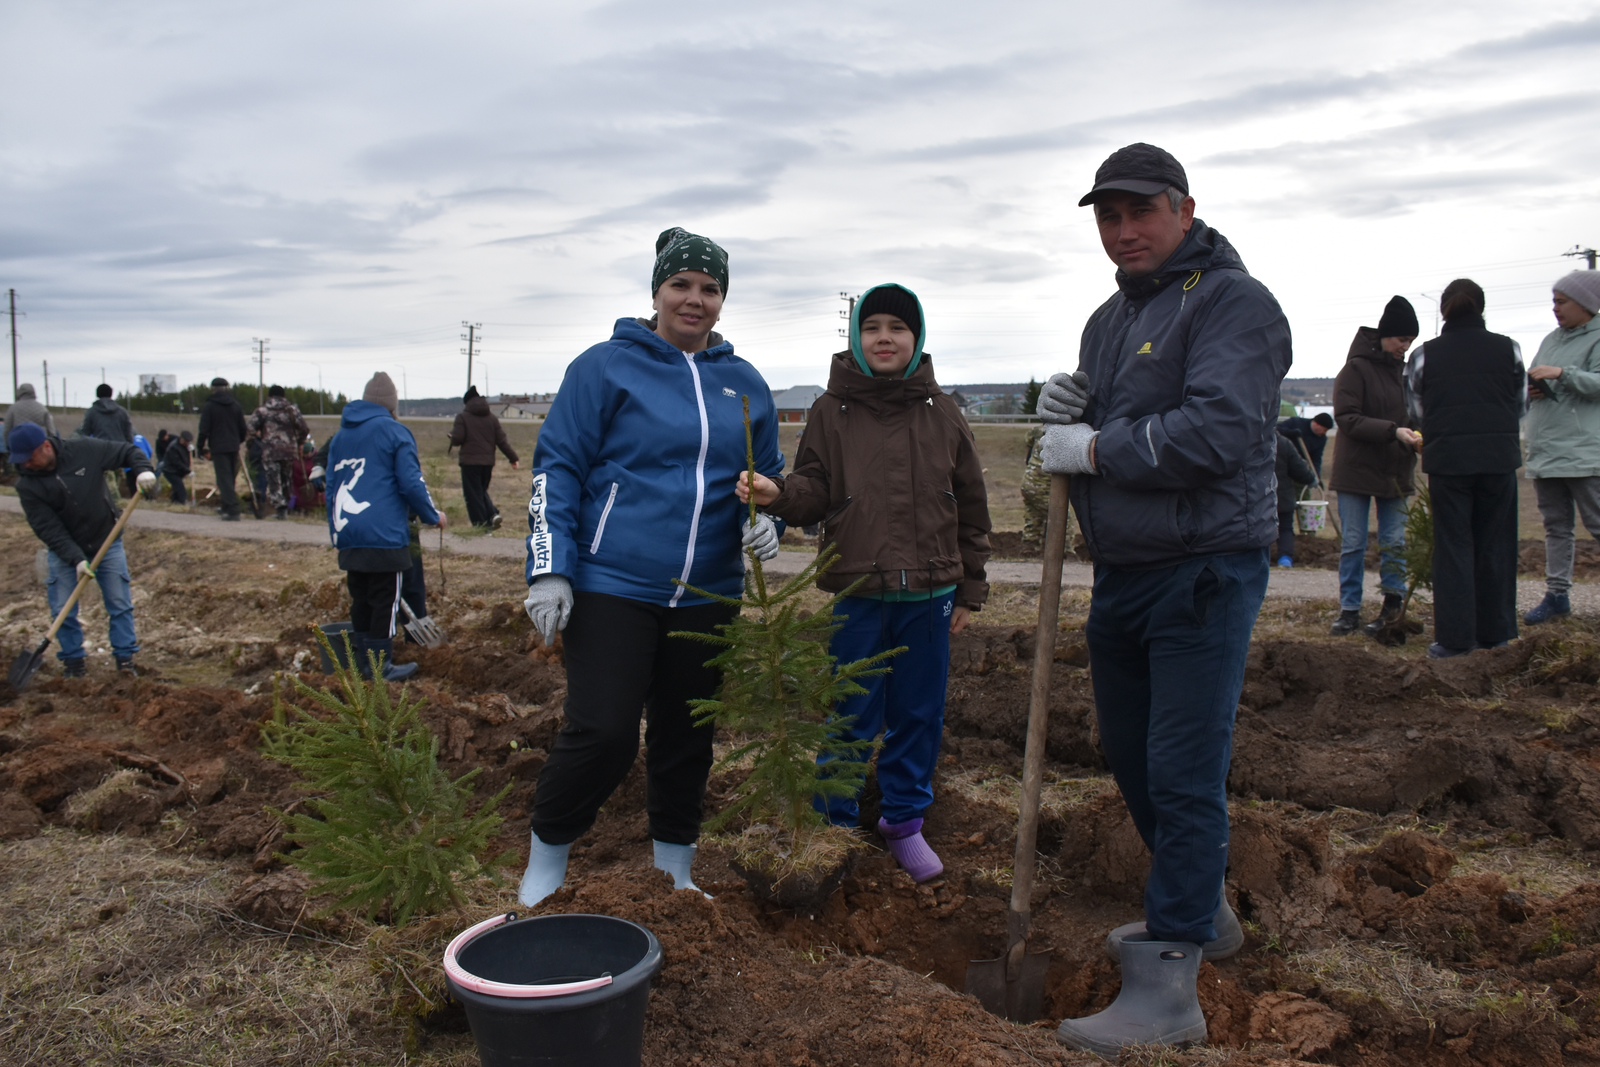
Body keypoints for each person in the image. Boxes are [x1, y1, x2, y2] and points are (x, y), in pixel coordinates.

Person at [1036, 143, 1291, 1056]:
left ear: (1185, 209)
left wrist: (1096, 447)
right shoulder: (1110, 318)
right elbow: (1101, 418)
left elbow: (1218, 432)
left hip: (1205, 568)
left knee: (1183, 769)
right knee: (1133, 757)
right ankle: (1203, 914)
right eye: (1108, 216)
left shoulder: (1235, 304)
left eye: (1141, 211)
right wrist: (1070, 409)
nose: (1124, 230)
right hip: (1127, 573)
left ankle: (1170, 988)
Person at [517, 227, 783, 908]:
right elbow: (558, 469)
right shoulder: (603, 367)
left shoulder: (744, 384)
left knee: (686, 733)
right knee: (603, 731)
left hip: (708, 590)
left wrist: (767, 518)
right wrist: (550, 567)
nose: (695, 299)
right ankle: (547, 855)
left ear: (722, 300)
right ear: (657, 291)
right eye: (682, 285)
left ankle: (674, 871)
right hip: (614, 583)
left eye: (710, 288)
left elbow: (767, 475)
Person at [737, 282, 991, 883]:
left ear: (916, 338)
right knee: (851, 711)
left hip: (930, 596)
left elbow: (973, 506)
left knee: (919, 714)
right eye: (872, 326)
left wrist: (970, 588)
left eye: (897, 328)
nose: (884, 337)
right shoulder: (832, 411)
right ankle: (834, 823)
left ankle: (904, 823)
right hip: (858, 595)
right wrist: (778, 494)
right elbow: (814, 487)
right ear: (856, 338)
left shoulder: (944, 413)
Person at [1408, 279, 1525, 658]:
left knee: (1454, 547)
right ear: (1483, 308)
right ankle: (1496, 635)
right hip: (1498, 458)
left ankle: (1455, 641)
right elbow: (1519, 405)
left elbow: (1417, 413)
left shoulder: (1425, 355)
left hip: (1449, 461)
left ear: (1443, 310)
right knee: (1496, 544)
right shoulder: (1510, 349)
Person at [9, 422, 156, 676]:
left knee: (119, 603)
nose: (25, 465)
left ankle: (124, 662)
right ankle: (74, 664)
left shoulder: (84, 449)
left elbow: (127, 452)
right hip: (66, 551)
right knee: (62, 609)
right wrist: (75, 559)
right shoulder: (27, 486)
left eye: (29, 458)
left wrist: (143, 471)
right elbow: (48, 528)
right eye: (21, 461)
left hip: (106, 540)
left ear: (45, 447)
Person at [325, 372, 445, 681]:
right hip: (384, 535)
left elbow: (330, 486)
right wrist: (433, 516)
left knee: (361, 598)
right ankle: (381, 666)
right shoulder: (396, 432)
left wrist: (336, 530)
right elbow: (411, 483)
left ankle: (364, 666)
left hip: (349, 530)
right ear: (392, 404)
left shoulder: (340, 436)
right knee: (385, 600)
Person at [1326, 297, 1421, 637]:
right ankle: (1349, 609)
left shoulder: (1407, 373)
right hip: (1356, 471)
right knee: (1354, 542)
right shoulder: (1355, 369)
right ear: (1385, 335)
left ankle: (1392, 606)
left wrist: (1417, 433)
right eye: (1401, 339)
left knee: (1394, 542)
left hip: (1396, 471)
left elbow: (1414, 414)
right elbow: (1347, 418)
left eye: (1410, 341)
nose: (1405, 346)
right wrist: (1392, 431)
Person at [1522, 271, 1600, 624]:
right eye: (1553, 301)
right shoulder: (1552, 338)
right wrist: (1534, 387)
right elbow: (1541, 373)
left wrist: (1562, 374)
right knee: (1556, 527)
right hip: (1547, 450)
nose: (1555, 308)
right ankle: (1556, 596)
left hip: (1584, 453)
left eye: (1561, 301)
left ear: (1585, 303)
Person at [448, 385, 520, 528]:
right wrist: (513, 458)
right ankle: (492, 515)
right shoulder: (492, 418)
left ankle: (481, 525)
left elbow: (457, 439)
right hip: (488, 462)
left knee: (472, 495)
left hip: (469, 462)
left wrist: (451, 437)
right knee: (480, 491)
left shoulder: (462, 417)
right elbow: (502, 441)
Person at [250, 385, 310, 520]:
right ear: (283, 396)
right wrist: (299, 442)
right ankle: (288, 503)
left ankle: (280, 508)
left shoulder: (263, 411)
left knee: (273, 480)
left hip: (270, 450)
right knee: (286, 478)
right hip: (289, 450)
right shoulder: (292, 410)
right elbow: (304, 429)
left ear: (269, 396)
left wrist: (260, 438)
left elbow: (250, 429)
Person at [196, 377, 249, 521]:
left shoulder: (210, 406)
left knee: (224, 479)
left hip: (218, 447)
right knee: (229, 478)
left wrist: (200, 447)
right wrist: (237, 440)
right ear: (227, 388)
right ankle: (226, 506)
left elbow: (204, 429)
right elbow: (243, 429)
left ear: (213, 389)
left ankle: (233, 510)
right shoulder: (235, 405)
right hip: (233, 446)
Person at [1273, 430, 1316, 566]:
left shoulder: (1250, 442)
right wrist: (1311, 479)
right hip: (1282, 497)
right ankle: (1284, 558)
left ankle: (1258, 558)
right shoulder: (1283, 443)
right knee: (1285, 529)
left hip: (1255, 498)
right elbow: (1298, 469)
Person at [1020, 424, 1051, 548]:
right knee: (1063, 518)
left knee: (1033, 513)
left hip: (1028, 481)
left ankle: (1029, 546)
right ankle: (1066, 552)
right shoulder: (1061, 437)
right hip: (1041, 484)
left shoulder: (1037, 431)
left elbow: (1028, 447)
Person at [1277, 411, 1333, 478]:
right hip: (1281, 459)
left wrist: (1317, 476)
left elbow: (1316, 459)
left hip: (1299, 465)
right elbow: (1276, 429)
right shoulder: (1295, 422)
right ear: (1317, 424)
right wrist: (1290, 433)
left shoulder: (1321, 439)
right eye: (1324, 430)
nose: (1324, 433)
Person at [161, 430, 193, 504]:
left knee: (176, 488)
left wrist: (192, 451)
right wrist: (188, 471)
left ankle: (175, 502)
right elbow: (177, 462)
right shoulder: (173, 447)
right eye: (186, 441)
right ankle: (183, 502)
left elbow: (189, 457)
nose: (187, 443)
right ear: (181, 439)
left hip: (178, 471)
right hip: (170, 471)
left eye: (188, 442)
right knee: (180, 487)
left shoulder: (185, 446)